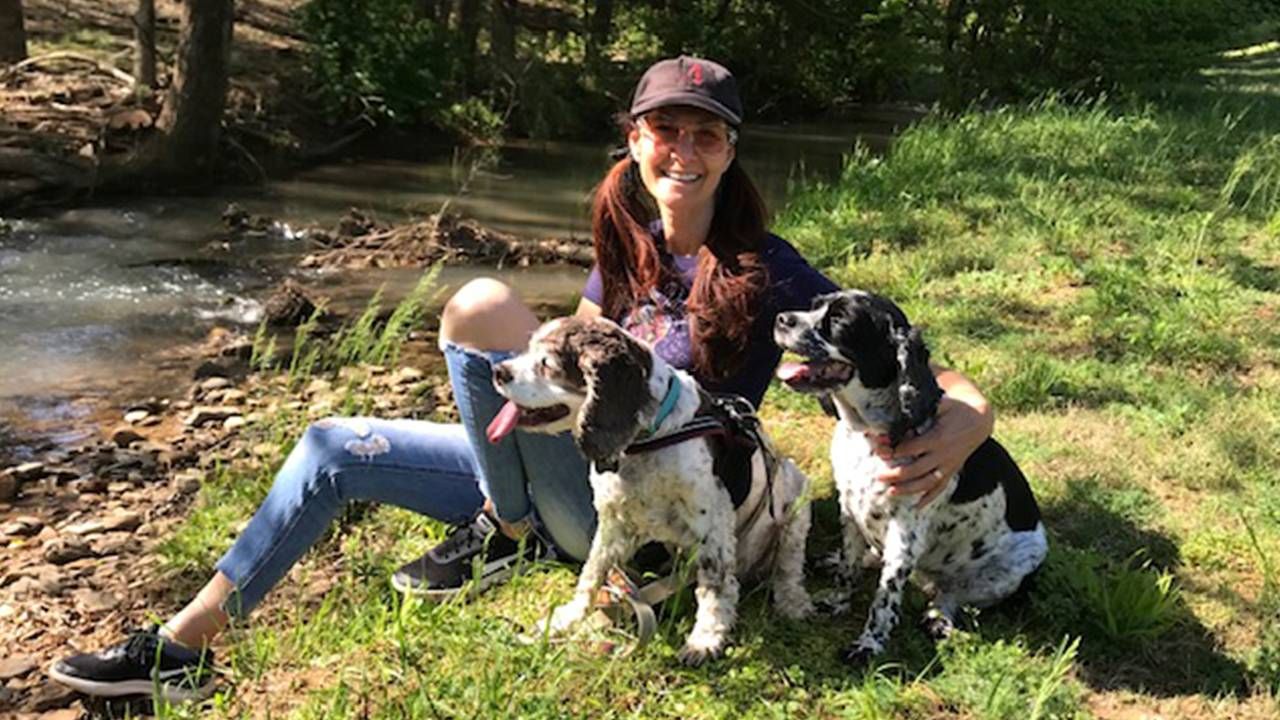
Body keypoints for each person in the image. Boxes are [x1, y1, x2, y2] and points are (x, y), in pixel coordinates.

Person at [48, 56, 996, 702]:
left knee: (481, 301)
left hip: (652, 505)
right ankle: (180, 651)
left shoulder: (769, 267)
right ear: (635, 139)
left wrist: (970, 417)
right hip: (568, 466)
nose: (684, 150)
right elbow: (560, 377)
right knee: (336, 442)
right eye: (666, 129)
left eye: (706, 135)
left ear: (730, 152)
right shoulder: (620, 251)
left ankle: (506, 529)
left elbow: (908, 352)